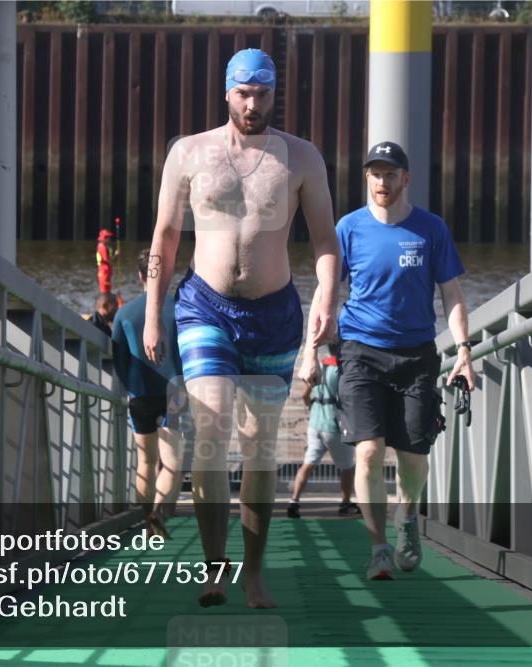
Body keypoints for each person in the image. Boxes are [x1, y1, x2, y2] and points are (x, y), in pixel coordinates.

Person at [143, 48, 339, 609]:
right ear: (226, 93)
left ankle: (254, 571)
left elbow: (325, 240)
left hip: (274, 314)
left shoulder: (300, 158)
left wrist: (327, 296)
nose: (253, 105)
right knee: (209, 432)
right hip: (204, 306)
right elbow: (164, 237)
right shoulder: (189, 153)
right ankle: (213, 566)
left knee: (259, 448)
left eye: (263, 94)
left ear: (275, 95)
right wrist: (155, 311)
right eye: (243, 94)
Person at [299, 140, 476, 581]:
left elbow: (451, 294)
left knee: (413, 456)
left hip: (417, 354)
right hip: (360, 352)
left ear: (406, 178)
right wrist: (310, 351)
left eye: (390, 174)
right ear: (367, 178)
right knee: (368, 452)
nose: (382, 181)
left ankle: (407, 517)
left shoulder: (430, 229)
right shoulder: (349, 228)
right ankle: (378, 546)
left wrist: (465, 351)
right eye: (375, 173)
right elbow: (325, 295)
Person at [111, 250, 184, 539]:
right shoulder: (180, 308)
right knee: (172, 463)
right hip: (174, 393)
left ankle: (147, 522)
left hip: (139, 393)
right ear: (167, 274)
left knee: (145, 461)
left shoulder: (124, 313)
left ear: (140, 276)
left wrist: (130, 386)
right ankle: (158, 510)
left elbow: (118, 359)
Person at [286, 340, 360, 519]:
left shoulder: (318, 366)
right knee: (348, 467)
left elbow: (304, 394)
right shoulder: (343, 371)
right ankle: (345, 503)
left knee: (308, 463)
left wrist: (312, 407)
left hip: (315, 424)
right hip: (334, 427)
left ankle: (294, 501)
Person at [96, 228, 118, 294]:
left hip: (106, 271)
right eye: (108, 237)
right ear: (104, 238)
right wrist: (116, 255)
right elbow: (108, 260)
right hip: (104, 271)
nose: (110, 239)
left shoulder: (104, 246)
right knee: (104, 290)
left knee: (107, 289)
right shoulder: (102, 247)